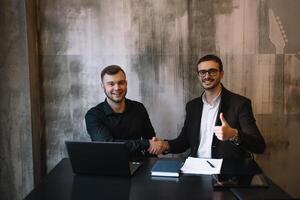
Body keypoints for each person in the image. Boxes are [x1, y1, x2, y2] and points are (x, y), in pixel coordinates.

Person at [149, 54, 266, 160]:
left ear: (221, 74)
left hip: (227, 174)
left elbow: (259, 146)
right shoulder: (192, 106)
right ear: (198, 75)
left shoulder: (240, 104)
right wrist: (165, 145)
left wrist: (234, 134)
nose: (207, 76)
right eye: (202, 72)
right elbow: (184, 141)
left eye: (212, 71)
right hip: (196, 169)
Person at [85, 65, 158, 156]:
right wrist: (146, 144)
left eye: (121, 83)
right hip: (107, 167)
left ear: (126, 84)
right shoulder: (93, 115)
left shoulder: (139, 108)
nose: (117, 88)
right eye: (111, 84)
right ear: (103, 86)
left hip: (139, 164)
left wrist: (152, 166)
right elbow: (108, 146)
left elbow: (152, 142)